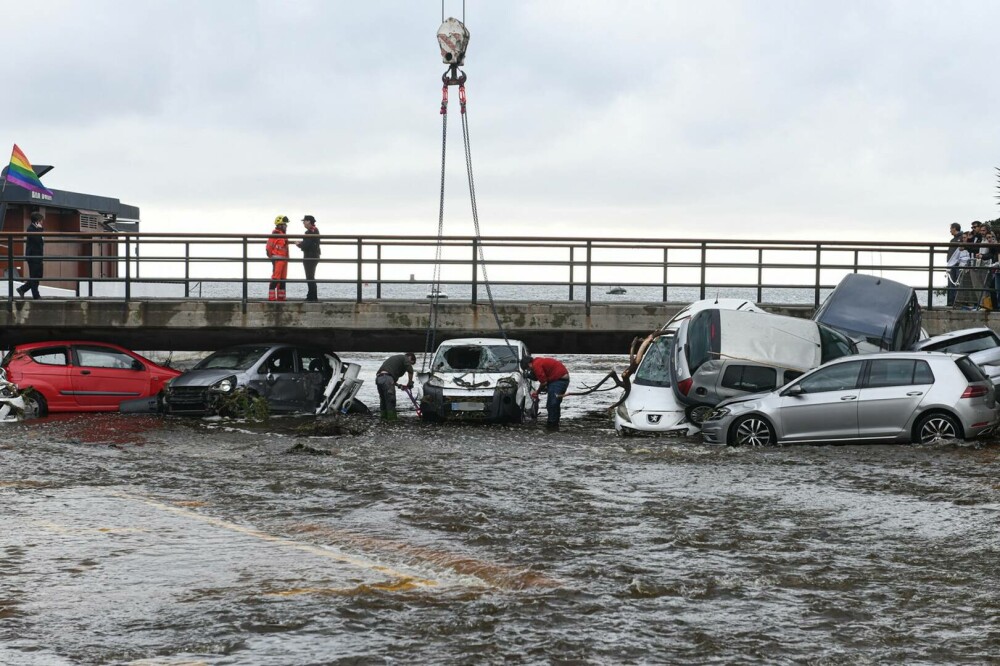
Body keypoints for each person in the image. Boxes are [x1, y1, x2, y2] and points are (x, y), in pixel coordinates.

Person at [520, 354, 570, 430]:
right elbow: (539, 377)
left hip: (559, 381)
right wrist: (529, 376)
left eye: (527, 368)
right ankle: (555, 424)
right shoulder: (538, 361)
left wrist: (537, 392)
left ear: (529, 364)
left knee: (552, 404)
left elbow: (544, 383)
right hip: (559, 380)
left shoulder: (536, 365)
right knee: (555, 403)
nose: (529, 370)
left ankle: (552, 425)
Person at [376, 352, 416, 420]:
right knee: (391, 400)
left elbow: (388, 378)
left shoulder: (396, 359)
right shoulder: (405, 358)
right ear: (409, 357)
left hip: (379, 379)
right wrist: (410, 383)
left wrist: (399, 385)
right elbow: (410, 371)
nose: (410, 364)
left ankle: (383, 418)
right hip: (387, 379)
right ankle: (392, 420)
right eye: (411, 363)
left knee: (383, 400)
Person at [16, 212, 45, 299]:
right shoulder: (31, 229)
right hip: (33, 256)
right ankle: (36, 295)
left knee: (38, 275)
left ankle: (22, 289)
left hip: (39, 256)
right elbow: (37, 240)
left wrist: (40, 229)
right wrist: (40, 230)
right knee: (34, 276)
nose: (42, 223)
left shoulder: (37, 229)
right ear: (37, 221)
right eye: (41, 221)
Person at [296, 215, 321, 302]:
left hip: (310, 256)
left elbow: (307, 245)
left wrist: (299, 244)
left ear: (309, 221)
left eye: (305, 221)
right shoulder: (315, 230)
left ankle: (312, 297)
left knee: (310, 276)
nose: (303, 223)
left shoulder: (310, 232)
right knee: (311, 276)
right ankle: (312, 296)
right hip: (314, 255)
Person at [266, 215, 289, 301]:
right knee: (276, 277)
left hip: (284, 260)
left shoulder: (283, 235)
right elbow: (268, 248)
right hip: (278, 259)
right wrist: (272, 257)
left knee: (283, 278)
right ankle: (271, 297)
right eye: (284, 224)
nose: (286, 226)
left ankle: (281, 297)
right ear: (279, 225)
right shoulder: (275, 235)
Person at [946, 222, 963, 306]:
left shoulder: (962, 238)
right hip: (951, 264)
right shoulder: (953, 240)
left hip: (957, 263)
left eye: (951, 229)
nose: (950, 231)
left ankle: (955, 302)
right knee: (952, 283)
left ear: (954, 228)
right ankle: (951, 302)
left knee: (956, 282)